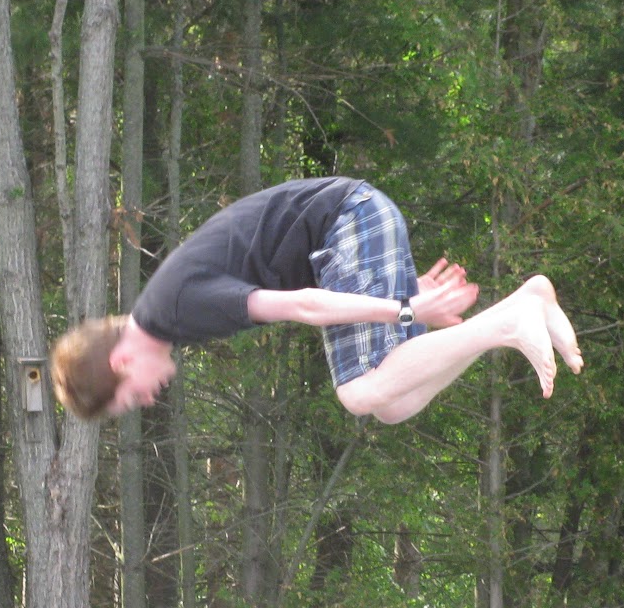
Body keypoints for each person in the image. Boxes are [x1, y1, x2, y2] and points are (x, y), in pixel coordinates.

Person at [49, 176, 582, 424]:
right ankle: (519, 306)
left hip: (347, 218)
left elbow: (303, 305)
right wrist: (399, 292)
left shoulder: (173, 308)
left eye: (130, 398)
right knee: (393, 403)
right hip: (345, 232)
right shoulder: (169, 317)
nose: (147, 400)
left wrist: (403, 309)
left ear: (122, 363)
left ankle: (508, 323)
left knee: (358, 392)